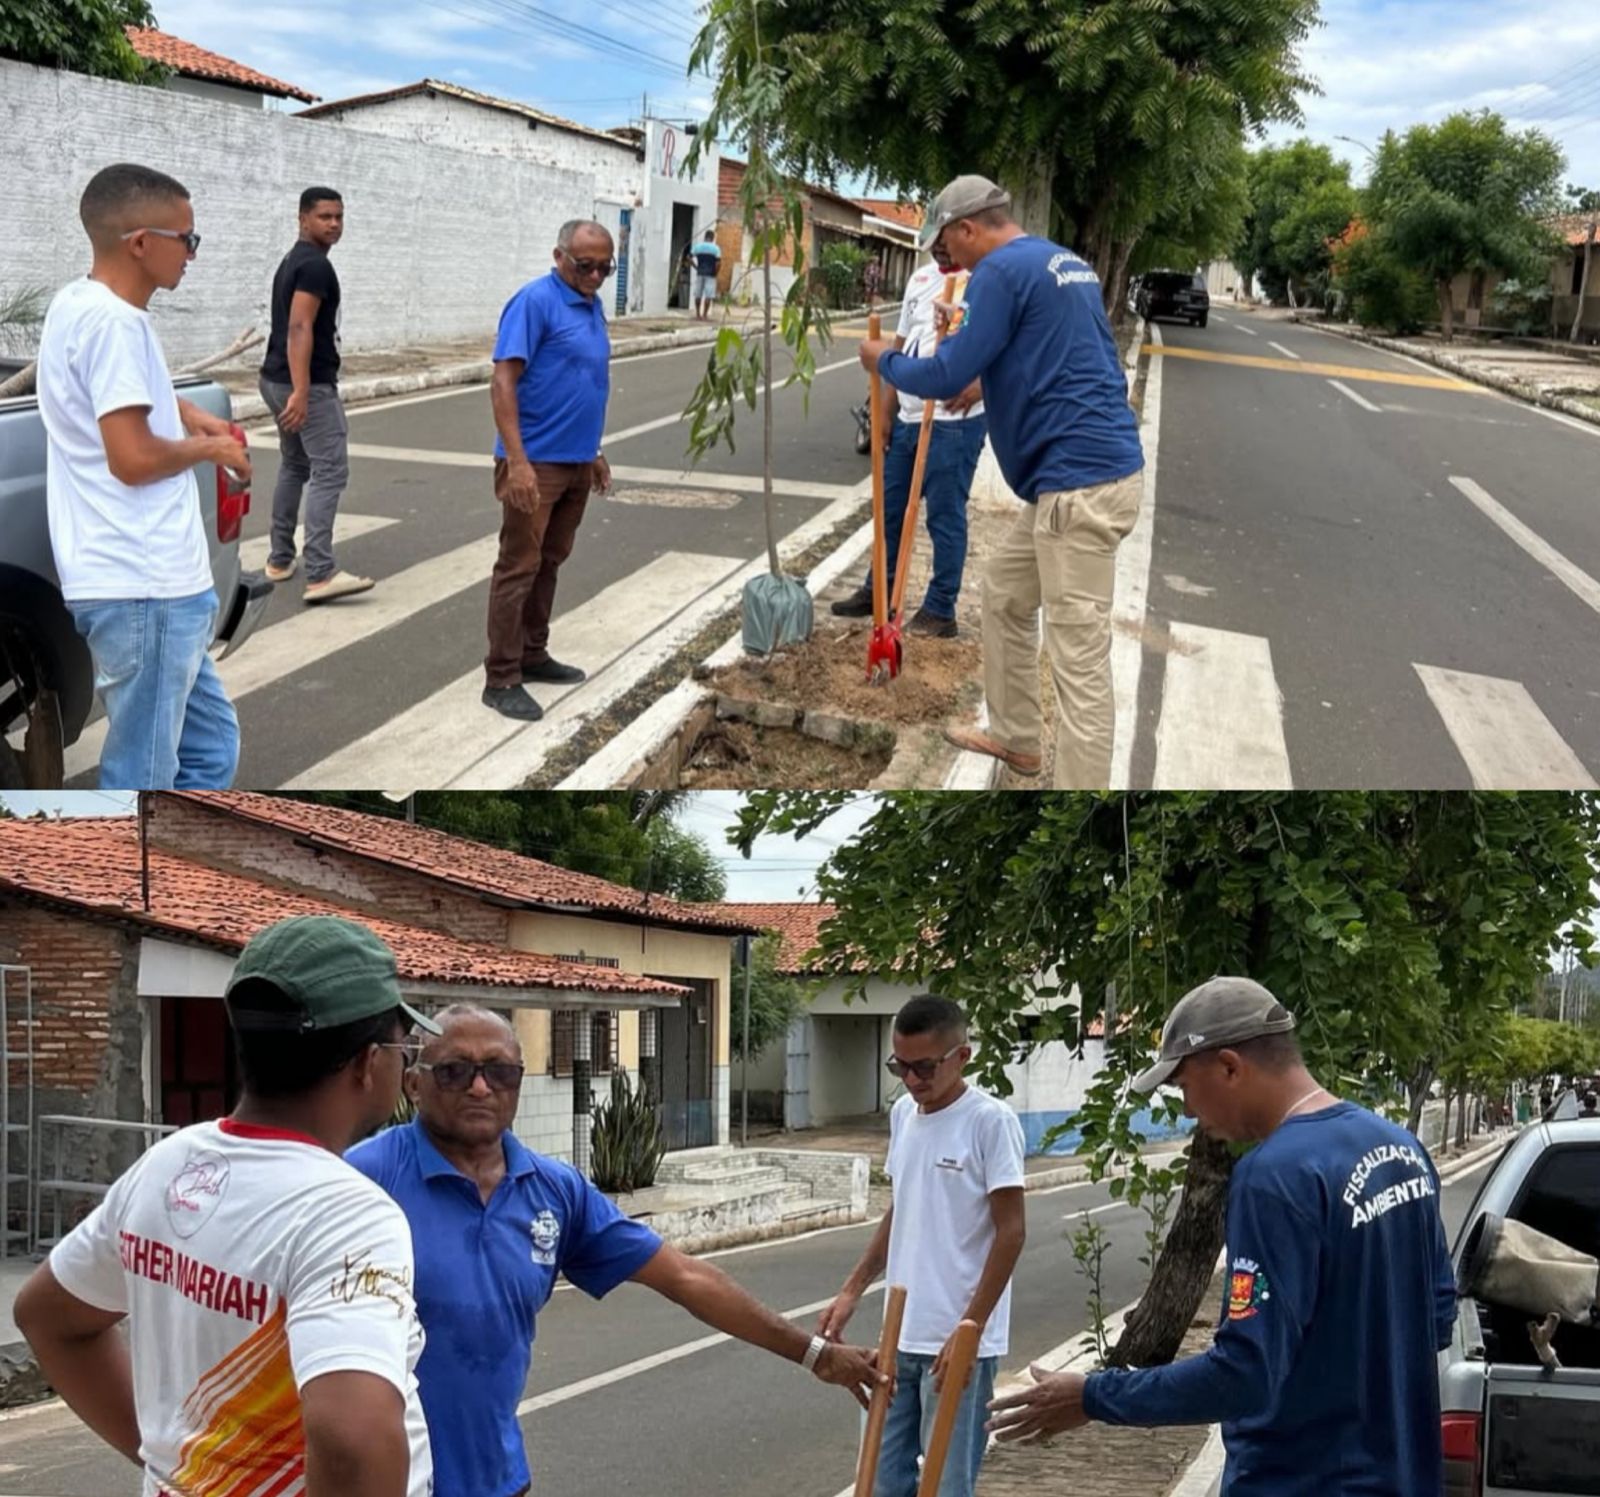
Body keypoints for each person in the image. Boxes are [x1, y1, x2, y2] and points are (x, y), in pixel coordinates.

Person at [346, 1005, 884, 1497]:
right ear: (413, 1082)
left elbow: (686, 1278)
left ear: (519, 1082)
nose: (481, 1087)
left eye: (500, 1072)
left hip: (500, 1480)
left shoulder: (553, 1190)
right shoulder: (365, 1178)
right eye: (454, 1071)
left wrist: (815, 1353)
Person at [14, 914, 440, 1497]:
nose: (405, 1063)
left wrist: (176, 1463)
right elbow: (354, 1442)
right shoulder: (346, 1214)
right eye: (402, 1047)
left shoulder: (168, 1165)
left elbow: (46, 1315)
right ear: (368, 1063)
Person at [987, 977, 1457, 1497]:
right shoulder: (1401, 1150)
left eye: (1184, 1086)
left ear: (1230, 1067)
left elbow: (1243, 1374)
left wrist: (1092, 1396)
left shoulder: (1275, 1176)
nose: (1187, 1110)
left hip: (1300, 1481)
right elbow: (1437, 1319)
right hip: (1402, 1476)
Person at [859, 175, 1145, 788]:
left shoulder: (997, 272)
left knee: (1078, 664)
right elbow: (1056, 354)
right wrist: (972, 339)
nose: (947, 259)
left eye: (946, 245)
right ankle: (1017, 738)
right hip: (1078, 479)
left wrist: (882, 360)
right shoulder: (1060, 262)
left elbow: (942, 375)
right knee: (1006, 593)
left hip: (1078, 488)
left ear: (967, 228)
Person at [35, 162, 250, 790]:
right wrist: (213, 450)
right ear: (140, 243)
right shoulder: (116, 324)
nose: (192, 253)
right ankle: (128, 857)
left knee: (210, 750)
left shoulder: (80, 302)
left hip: (144, 584)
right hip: (145, 586)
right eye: (187, 239)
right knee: (142, 782)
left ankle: (165, 850)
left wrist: (187, 413)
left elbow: (117, 393)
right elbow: (130, 460)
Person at [817, 995, 1026, 1497]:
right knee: (880, 1483)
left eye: (924, 1068)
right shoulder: (904, 1116)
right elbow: (902, 1209)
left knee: (946, 1486)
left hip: (957, 1344)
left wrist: (969, 1330)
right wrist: (851, 1290)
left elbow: (1012, 1231)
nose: (912, 1080)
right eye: (900, 1067)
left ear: (962, 1056)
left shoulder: (990, 1122)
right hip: (898, 1336)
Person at [483, 219, 616, 722]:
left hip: (576, 460)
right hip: (534, 462)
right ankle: (501, 677)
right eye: (585, 266)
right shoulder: (534, 302)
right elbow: (503, 382)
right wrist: (517, 463)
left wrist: (593, 451)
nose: (596, 276)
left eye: (605, 267)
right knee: (519, 565)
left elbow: (583, 379)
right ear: (559, 257)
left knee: (550, 561)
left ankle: (533, 653)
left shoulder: (591, 303)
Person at [833, 244, 986, 638]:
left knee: (944, 516)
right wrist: (885, 412)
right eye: (935, 243)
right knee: (890, 507)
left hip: (954, 421)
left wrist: (983, 385)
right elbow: (899, 348)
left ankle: (940, 609)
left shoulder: (983, 281)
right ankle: (878, 590)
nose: (940, 250)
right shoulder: (920, 279)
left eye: (947, 241)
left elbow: (1007, 345)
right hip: (908, 416)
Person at [258, 186, 375, 604]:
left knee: (294, 464)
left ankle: (279, 558)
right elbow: (299, 327)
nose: (334, 224)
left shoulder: (295, 259)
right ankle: (321, 573)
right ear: (303, 218)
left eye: (339, 217)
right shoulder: (315, 267)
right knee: (330, 470)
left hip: (274, 379)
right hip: (304, 384)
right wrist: (303, 391)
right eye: (325, 216)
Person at [689, 229, 722, 319]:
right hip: (711, 274)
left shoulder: (698, 247)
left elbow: (689, 257)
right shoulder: (716, 248)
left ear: (705, 237)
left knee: (698, 294)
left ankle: (698, 314)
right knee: (708, 295)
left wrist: (696, 267)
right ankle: (704, 315)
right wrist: (715, 272)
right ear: (713, 238)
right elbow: (718, 263)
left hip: (700, 273)